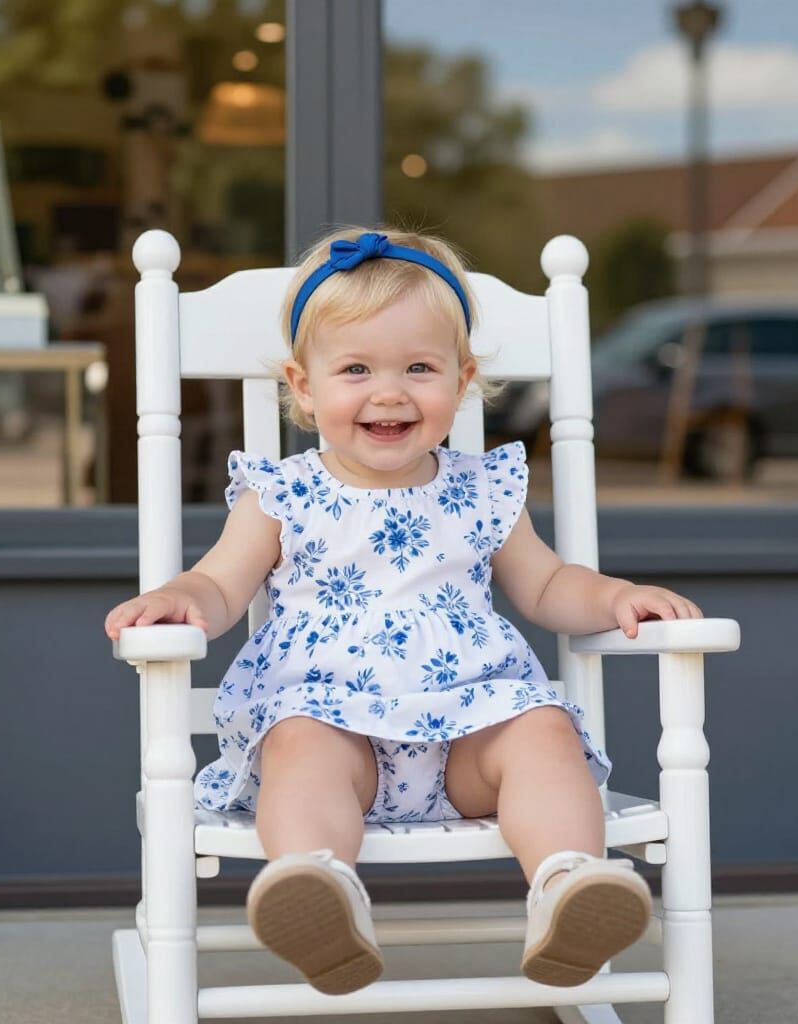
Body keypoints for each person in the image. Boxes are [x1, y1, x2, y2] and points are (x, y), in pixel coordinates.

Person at [104, 226, 705, 995]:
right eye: (356, 369)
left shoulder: (483, 488)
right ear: (304, 385)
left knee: (542, 729)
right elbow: (218, 587)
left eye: (420, 368)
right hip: (333, 726)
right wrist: (177, 599)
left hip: (468, 738)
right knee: (299, 744)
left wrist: (617, 597)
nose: (390, 392)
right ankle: (321, 890)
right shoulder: (282, 492)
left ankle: (567, 887)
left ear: (462, 381)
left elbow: (549, 586)